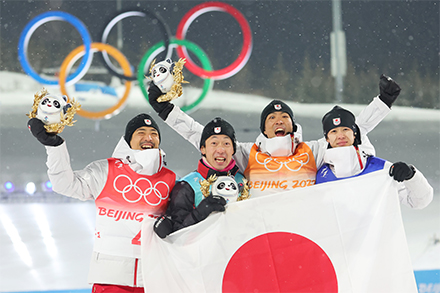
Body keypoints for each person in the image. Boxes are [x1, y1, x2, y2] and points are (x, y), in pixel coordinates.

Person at [148, 74, 399, 197]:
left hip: (305, 235)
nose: (279, 121)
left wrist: (383, 102)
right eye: (272, 118)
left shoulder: (311, 150)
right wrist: (166, 110)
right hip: (263, 236)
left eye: (284, 118)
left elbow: (350, 133)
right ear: (264, 130)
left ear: (293, 125)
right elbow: (202, 137)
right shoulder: (249, 153)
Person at [27, 113, 176, 292]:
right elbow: (64, 184)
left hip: (154, 279)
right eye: (141, 132)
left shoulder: (169, 178)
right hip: (110, 278)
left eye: (154, 133)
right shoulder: (105, 170)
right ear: (128, 140)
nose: (149, 138)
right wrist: (54, 147)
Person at [315, 105, 433, 208]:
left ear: (355, 134)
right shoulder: (320, 176)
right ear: (327, 138)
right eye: (334, 131)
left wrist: (411, 176)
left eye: (345, 129)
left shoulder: (379, 169)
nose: (340, 136)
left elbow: (419, 202)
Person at [153, 117, 248, 238]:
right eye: (214, 143)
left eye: (226, 144)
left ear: (233, 149)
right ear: (203, 149)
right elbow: (176, 236)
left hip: (237, 253)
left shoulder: (243, 181)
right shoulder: (187, 186)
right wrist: (200, 213)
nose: (220, 149)